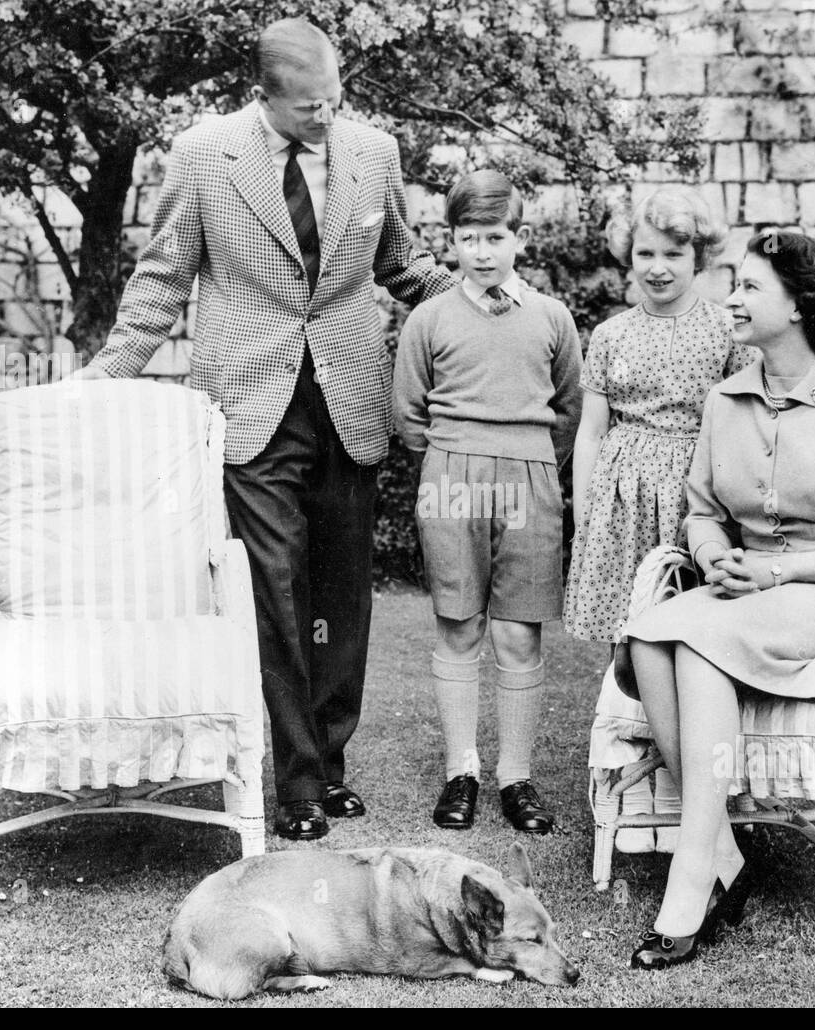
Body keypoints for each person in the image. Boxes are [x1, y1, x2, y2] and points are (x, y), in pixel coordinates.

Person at [76, 19, 455, 840]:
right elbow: (165, 274)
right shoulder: (204, 154)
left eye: (335, 101)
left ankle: (329, 758)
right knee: (277, 591)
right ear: (267, 98)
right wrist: (108, 372)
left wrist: (472, 299)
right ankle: (297, 785)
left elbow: (402, 262)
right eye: (310, 109)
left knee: (342, 596)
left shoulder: (374, 153)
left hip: (349, 400)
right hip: (250, 407)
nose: (327, 118)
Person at [620, 231, 815, 969]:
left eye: (750, 287)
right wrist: (716, 554)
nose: (732, 300)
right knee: (648, 637)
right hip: (745, 588)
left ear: (799, 303)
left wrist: (781, 574)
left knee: (695, 641)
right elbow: (701, 512)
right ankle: (721, 845)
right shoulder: (726, 399)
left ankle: (694, 878)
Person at [565, 188, 758, 852]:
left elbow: (741, 423)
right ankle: (640, 788)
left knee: (688, 634)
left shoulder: (722, 330)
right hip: (622, 497)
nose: (658, 267)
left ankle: (695, 791)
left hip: (694, 497)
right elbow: (591, 431)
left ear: (698, 257)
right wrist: (587, 509)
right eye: (645, 252)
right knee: (632, 638)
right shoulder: (610, 333)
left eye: (674, 254)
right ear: (628, 255)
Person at [393, 169, 582, 833]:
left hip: (529, 476)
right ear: (451, 241)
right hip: (451, 475)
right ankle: (463, 770)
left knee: (518, 629)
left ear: (518, 239)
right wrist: (453, 458)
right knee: (460, 624)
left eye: (494, 236)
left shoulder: (552, 318)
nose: (481, 251)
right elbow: (408, 411)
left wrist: (530, 463)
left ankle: (516, 776)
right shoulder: (431, 318)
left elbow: (569, 408)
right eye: (467, 238)